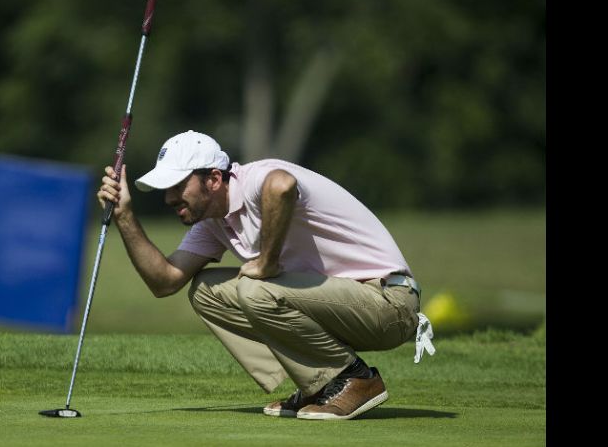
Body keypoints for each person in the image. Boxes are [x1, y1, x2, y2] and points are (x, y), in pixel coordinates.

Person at [97, 129, 434, 420]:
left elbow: (282, 185)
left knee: (254, 288)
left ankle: (356, 380)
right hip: (343, 306)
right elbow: (165, 281)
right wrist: (125, 216)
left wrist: (267, 262)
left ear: (213, 179)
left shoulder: (257, 178)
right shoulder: (213, 223)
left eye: (178, 185)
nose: (170, 198)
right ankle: (317, 384)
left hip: (389, 303)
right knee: (205, 290)